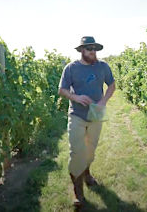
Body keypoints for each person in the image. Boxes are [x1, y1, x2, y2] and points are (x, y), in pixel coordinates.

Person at [58, 36, 116, 208]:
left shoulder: (103, 66)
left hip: (96, 114)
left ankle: (87, 174)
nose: (93, 51)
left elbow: (112, 85)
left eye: (95, 48)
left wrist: (103, 102)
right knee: (76, 152)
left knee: (90, 150)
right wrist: (76, 97)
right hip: (76, 114)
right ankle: (78, 193)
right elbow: (62, 90)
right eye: (89, 48)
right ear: (81, 50)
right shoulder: (71, 68)